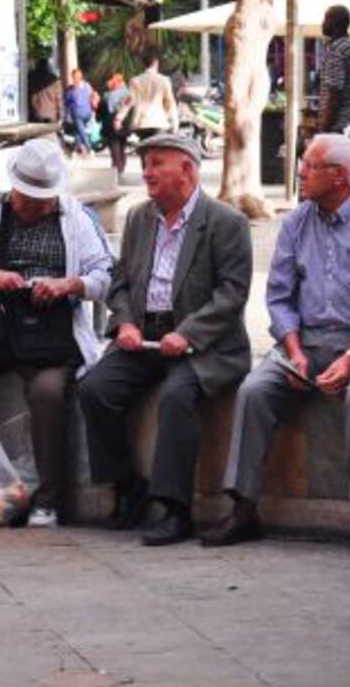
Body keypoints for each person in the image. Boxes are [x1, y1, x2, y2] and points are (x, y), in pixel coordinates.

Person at [204, 134, 350, 555]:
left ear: (339, 176)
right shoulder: (296, 221)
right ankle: (242, 508)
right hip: (307, 340)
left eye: (309, 165)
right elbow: (278, 294)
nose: (300, 172)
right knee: (254, 390)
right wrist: (294, 353)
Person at [79, 133, 252, 546]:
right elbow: (119, 283)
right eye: (146, 164)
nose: (147, 173)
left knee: (178, 395)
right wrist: (125, 324)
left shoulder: (226, 222)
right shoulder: (140, 218)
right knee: (94, 388)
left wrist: (189, 333)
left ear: (188, 170)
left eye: (157, 163)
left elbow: (233, 293)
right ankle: (126, 484)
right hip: (145, 337)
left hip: (206, 344)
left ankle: (174, 508)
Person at [0, 139, 113, 527]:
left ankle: (49, 499)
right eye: (24, 197)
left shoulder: (78, 218)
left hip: (50, 332)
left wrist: (70, 285)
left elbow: (106, 275)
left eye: (39, 201)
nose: (29, 206)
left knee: (49, 393)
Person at [317, 5, 350, 136]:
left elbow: (334, 94)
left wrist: (323, 129)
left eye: (326, 19)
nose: (323, 23)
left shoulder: (337, 50)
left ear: (334, 22)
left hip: (337, 126)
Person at [118, 49, 179, 140]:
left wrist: (119, 118)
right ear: (156, 63)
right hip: (159, 123)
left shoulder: (135, 81)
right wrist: (175, 123)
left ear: (143, 64)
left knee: (144, 149)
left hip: (140, 124)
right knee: (158, 150)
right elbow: (170, 103)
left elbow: (129, 102)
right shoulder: (164, 80)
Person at [100, 73, 131, 174]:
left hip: (112, 122)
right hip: (125, 122)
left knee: (115, 148)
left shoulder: (109, 95)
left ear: (116, 82)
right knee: (122, 146)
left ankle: (117, 169)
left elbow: (107, 110)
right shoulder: (128, 92)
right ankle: (121, 166)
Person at [64, 68, 95, 158]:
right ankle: (78, 150)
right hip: (88, 112)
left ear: (73, 77)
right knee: (79, 130)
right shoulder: (87, 85)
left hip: (77, 113)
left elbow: (66, 101)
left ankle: (89, 149)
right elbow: (92, 96)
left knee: (81, 131)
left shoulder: (71, 89)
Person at [29, 60, 63, 126]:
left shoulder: (33, 78)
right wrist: (61, 115)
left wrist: (34, 109)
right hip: (51, 114)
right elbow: (59, 98)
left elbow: (32, 97)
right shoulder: (54, 79)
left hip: (38, 113)